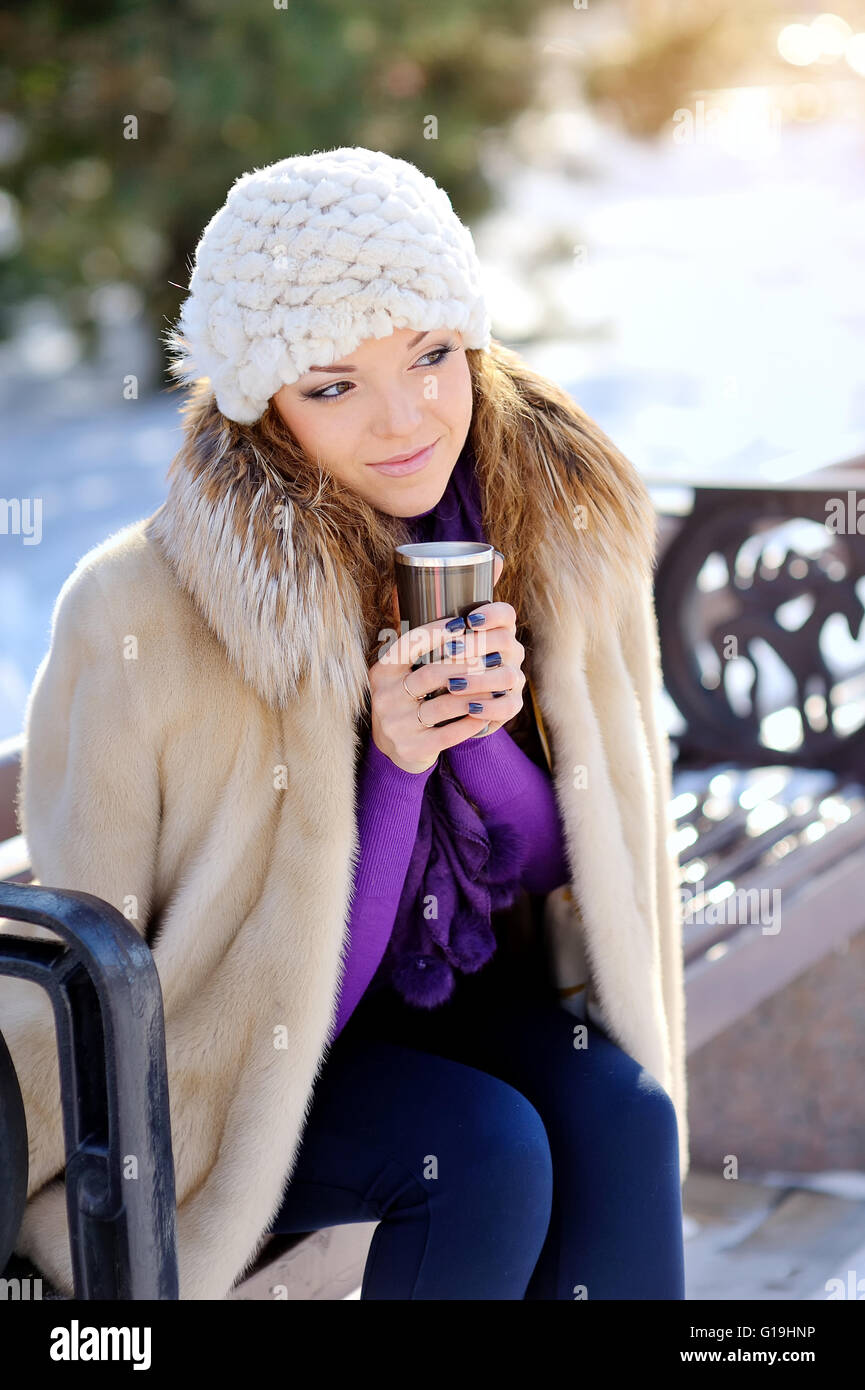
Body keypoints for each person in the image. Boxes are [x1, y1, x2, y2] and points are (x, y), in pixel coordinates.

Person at [2, 146, 688, 1300]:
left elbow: (578, 873)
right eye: (333, 385)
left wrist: (473, 731)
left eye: (430, 354)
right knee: (480, 1152)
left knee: (619, 1112)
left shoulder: (553, 526)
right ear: (260, 404)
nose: (406, 417)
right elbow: (109, 993)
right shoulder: (135, 609)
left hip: (459, 990)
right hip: (241, 1054)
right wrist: (394, 768)